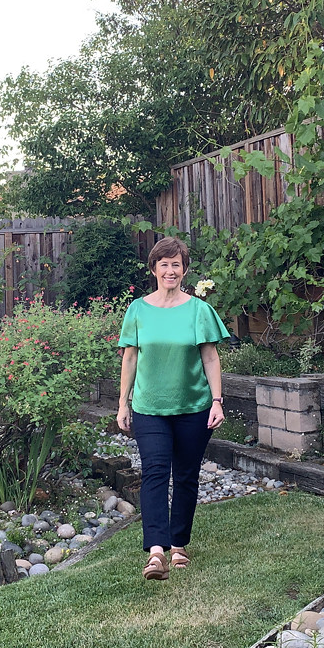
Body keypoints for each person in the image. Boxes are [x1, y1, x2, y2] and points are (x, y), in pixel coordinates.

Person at [116, 236, 229, 580]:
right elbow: (130, 358)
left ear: (185, 270)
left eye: (176, 264)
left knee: (185, 476)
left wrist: (217, 401)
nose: (170, 270)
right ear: (154, 269)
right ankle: (155, 552)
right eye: (163, 264)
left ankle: (178, 545)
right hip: (149, 407)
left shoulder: (199, 310)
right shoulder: (138, 309)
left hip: (193, 407)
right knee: (153, 473)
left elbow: (210, 357)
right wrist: (123, 403)